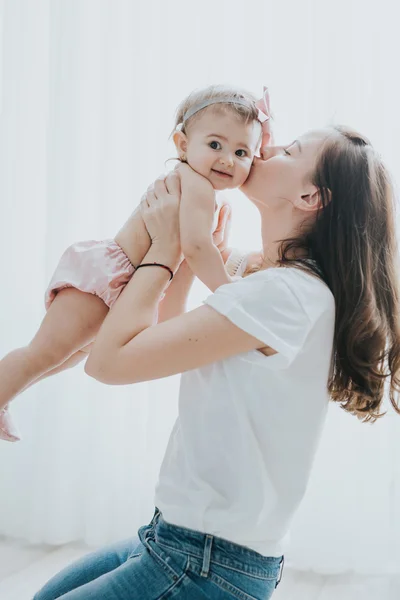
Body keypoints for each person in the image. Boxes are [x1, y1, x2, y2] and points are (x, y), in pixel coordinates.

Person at [33, 121, 400, 599]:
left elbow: (109, 363)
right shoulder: (276, 280)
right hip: (178, 539)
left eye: (289, 150)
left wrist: (165, 250)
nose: (266, 149)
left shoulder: (285, 295)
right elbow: (166, 331)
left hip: (208, 562)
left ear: (312, 197)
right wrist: (188, 249)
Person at [0, 84, 271, 442]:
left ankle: (6, 393)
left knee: (64, 357)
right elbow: (194, 248)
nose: (227, 160)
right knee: (46, 352)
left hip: (122, 284)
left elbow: (207, 249)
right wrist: (227, 292)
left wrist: (243, 262)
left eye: (241, 152)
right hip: (110, 277)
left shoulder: (207, 194)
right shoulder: (198, 187)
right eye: (215, 145)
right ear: (183, 144)